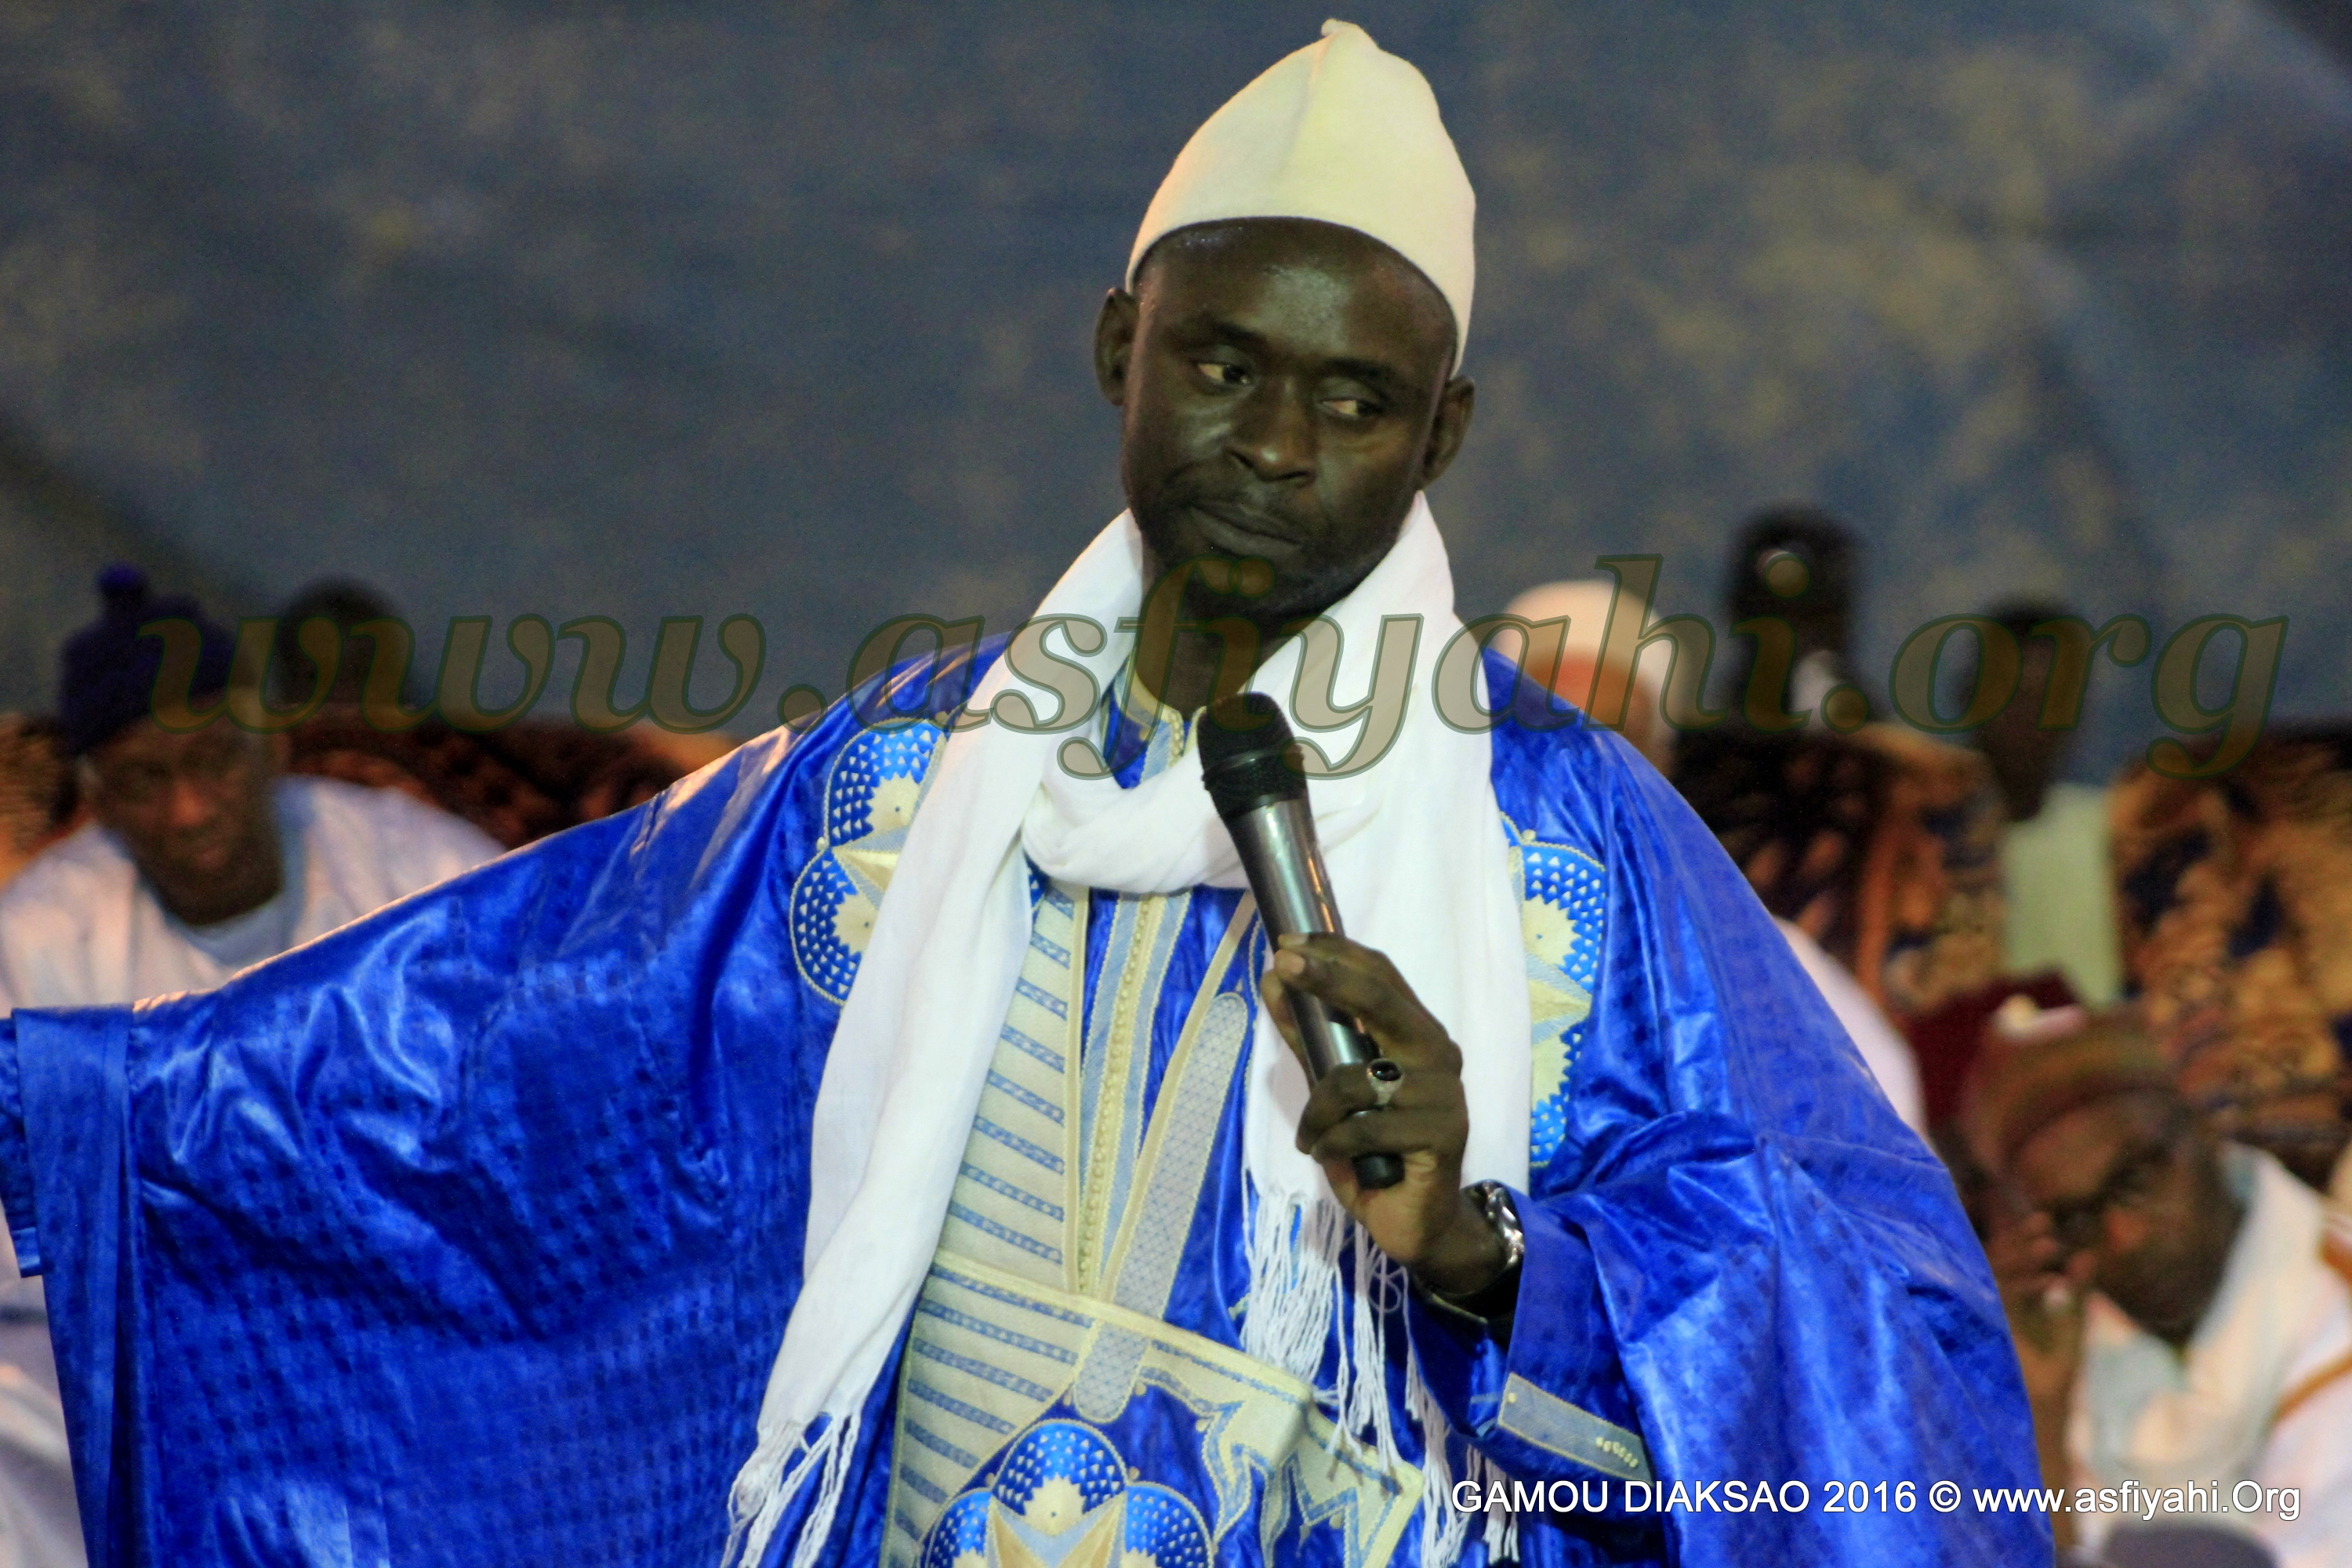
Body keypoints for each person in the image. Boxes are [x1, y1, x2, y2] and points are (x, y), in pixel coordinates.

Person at [0, 26, 2039, 1567]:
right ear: (1115, 347)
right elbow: (488, 1061)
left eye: (1356, 400)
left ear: (1445, 437)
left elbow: (1883, 1340)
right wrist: (77, 1110)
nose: (1275, 440)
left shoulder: (1565, 843)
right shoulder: (894, 786)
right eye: (1225, 361)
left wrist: (1483, 1255)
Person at [0, 567, 502, 1013]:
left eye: (215, 762)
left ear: (272, 749)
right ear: (100, 803)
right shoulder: (37, 941)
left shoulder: (419, 871)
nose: (190, 812)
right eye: (143, 781)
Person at [1967, 1007, 2352, 1567]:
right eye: (2078, 1218)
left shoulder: (2331, 1316)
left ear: (2202, 1132)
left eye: (2137, 1179)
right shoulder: (2078, 1337)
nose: (2123, 1237)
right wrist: (2039, 1414)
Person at [1976, 600, 2123, 1007]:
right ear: (1967, 696)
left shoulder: (2114, 835)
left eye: (2049, 700)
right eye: (2012, 696)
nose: (2030, 719)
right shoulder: (1927, 841)